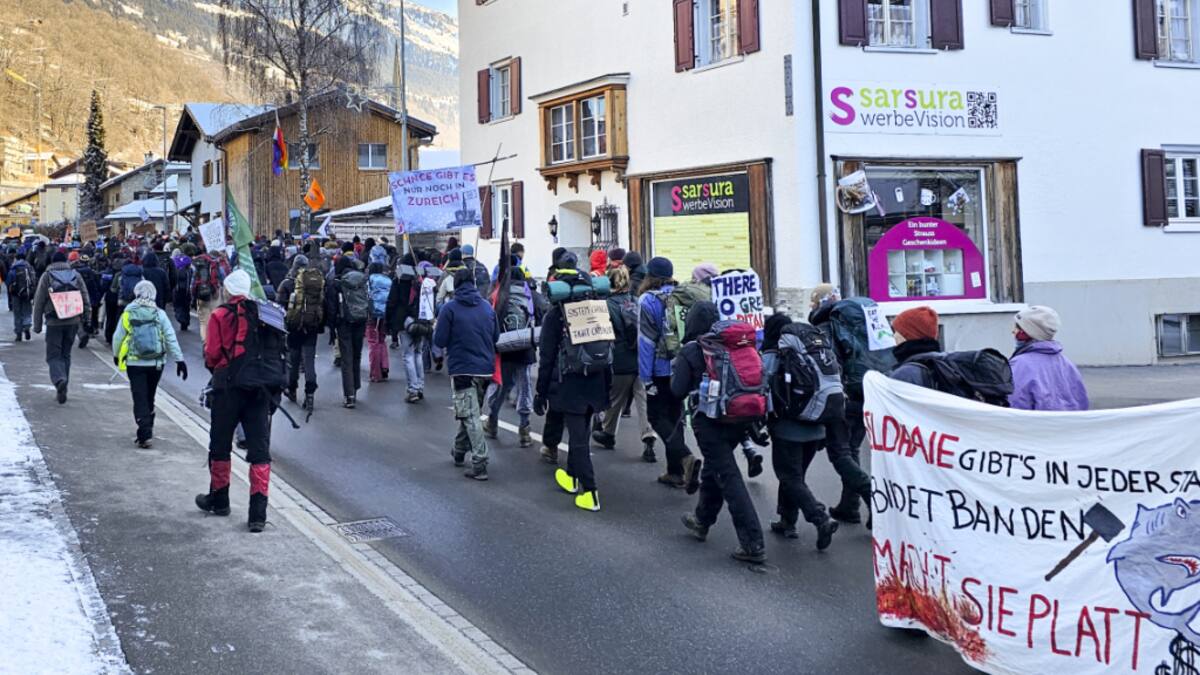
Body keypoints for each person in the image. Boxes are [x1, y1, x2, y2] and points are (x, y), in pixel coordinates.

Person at [674, 302, 766, 563]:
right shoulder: (734, 345)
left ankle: (753, 543)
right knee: (715, 469)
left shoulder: (692, 350)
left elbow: (677, 390)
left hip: (709, 423)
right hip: (740, 417)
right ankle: (702, 520)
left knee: (728, 476)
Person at [195, 270, 273, 533]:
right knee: (259, 450)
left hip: (227, 386)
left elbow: (212, 354)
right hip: (259, 389)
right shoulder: (263, 315)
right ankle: (258, 514)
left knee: (220, 444)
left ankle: (219, 500)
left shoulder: (219, 315)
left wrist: (218, 368)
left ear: (227, 290)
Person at [535, 266, 611, 512]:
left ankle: (590, 492)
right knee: (582, 432)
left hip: (570, 384)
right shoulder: (598, 308)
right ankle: (571, 477)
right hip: (596, 381)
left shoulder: (556, 315)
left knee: (578, 440)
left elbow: (546, 358)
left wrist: (541, 392)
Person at [761, 314, 840, 549]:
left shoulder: (773, 355)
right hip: (817, 425)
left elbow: (763, 389)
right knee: (796, 477)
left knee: (789, 477)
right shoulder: (811, 353)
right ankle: (787, 521)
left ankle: (820, 518)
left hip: (788, 429)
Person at [637, 256, 700, 490]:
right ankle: (675, 472)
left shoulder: (648, 300)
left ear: (649, 276)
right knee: (675, 416)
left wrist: (645, 377)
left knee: (655, 416)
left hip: (660, 367)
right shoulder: (682, 295)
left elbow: (646, 341)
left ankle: (684, 457)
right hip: (682, 365)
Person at [432, 268, 497, 480]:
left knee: (470, 416)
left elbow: (440, 340)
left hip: (462, 368)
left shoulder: (450, 309)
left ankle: (480, 461)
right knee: (471, 412)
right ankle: (459, 450)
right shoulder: (487, 307)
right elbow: (496, 336)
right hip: (486, 369)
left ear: (456, 284)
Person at [592, 265, 656, 462]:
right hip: (641, 360)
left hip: (620, 360)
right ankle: (648, 434)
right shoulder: (638, 301)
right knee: (643, 400)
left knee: (615, 399)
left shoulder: (606, 305)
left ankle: (608, 433)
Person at [113, 281, 186, 448]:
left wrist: (117, 355)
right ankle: (148, 427)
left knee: (139, 396)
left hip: (135, 362)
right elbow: (170, 337)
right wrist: (179, 359)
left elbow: (118, 337)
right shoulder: (160, 314)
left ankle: (144, 430)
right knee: (149, 395)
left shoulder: (128, 313)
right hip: (156, 363)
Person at [484, 263, 546, 447]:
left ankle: (492, 420)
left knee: (501, 386)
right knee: (524, 387)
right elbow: (541, 319)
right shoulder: (532, 296)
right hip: (525, 348)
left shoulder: (498, 295)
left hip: (503, 347)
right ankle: (524, 429)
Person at [32, 251, 91, 404]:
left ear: (51, 262)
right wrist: (87, 318)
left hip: (54, 321)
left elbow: (39, 301)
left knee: (53, 356)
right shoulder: (75, 275)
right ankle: (63, 388)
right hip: (73, 321)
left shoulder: (47, 276)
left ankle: (59, 380)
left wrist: (37, 325)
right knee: (66, 355)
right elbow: (85, 297)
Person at [1009, 306, 1089, 411]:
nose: (1013, 332)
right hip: (1068, 421)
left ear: (1025, 333)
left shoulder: (1019, 365)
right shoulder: (1067, 364)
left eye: (1017, 328)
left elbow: (1014, 406)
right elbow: (1081, 402)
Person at [277, 254, 324, 413]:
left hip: (293, 327)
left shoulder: (287, 283)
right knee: (309, 361)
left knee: (294, 360)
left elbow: (279, 305)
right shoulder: (315, 282)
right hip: (311, 326)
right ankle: (310, 393)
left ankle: (292, 389)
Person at [328, 255, 369, 408]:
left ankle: (349, 394)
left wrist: (332, 328)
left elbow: (332, 308)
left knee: (346, 358)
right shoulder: (361, 279)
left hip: (344, 322)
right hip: (361, 319)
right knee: (357, 355)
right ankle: (356, 387)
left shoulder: (336, 283)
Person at [890, 306, 944, 387]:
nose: (894, 336)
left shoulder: (905, 375)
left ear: (907, 335)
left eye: (896, 331)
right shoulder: (942, 365)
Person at [192, 249, 228, 347]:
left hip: (201, 294)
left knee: (203, 321)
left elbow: (193, 281)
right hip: (214, 294)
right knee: (215, 318)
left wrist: (194, 295)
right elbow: (223, 278)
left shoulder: (198, 263)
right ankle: (214, 342)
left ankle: (205, 343)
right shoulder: (216, 264)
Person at [366, 262, 392, 383]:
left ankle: (375, 373)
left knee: (373, 342)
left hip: (372, 314)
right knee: (382, 340)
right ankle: (384, 366)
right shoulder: (388, 280)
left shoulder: (369, 280)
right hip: (385, 313)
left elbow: (367, 296)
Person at [71, 252, 102, 347]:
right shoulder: (92, 272)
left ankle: (83, 333)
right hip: (91, 297)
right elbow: (97, 286)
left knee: (79, 317)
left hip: (77, 297)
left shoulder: (75, 272)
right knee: (92, 314)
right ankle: (92, 329)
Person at [7, 252, 36, 342]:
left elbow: (8, 281)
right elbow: (34, 280)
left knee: (17, 313)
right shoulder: (29, 267)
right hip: (27, 293)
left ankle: (18, 333)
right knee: (27, 311)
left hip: (15, 294)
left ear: (16, 258)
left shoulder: (14, 267)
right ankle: (27, 327)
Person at [171, 246, 193, 332]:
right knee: (186, 306)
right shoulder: (189, 269)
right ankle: (185, 322)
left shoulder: (174, 267)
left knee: (178, 306)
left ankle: (181, 319)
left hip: (177, 290)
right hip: (187, 290)